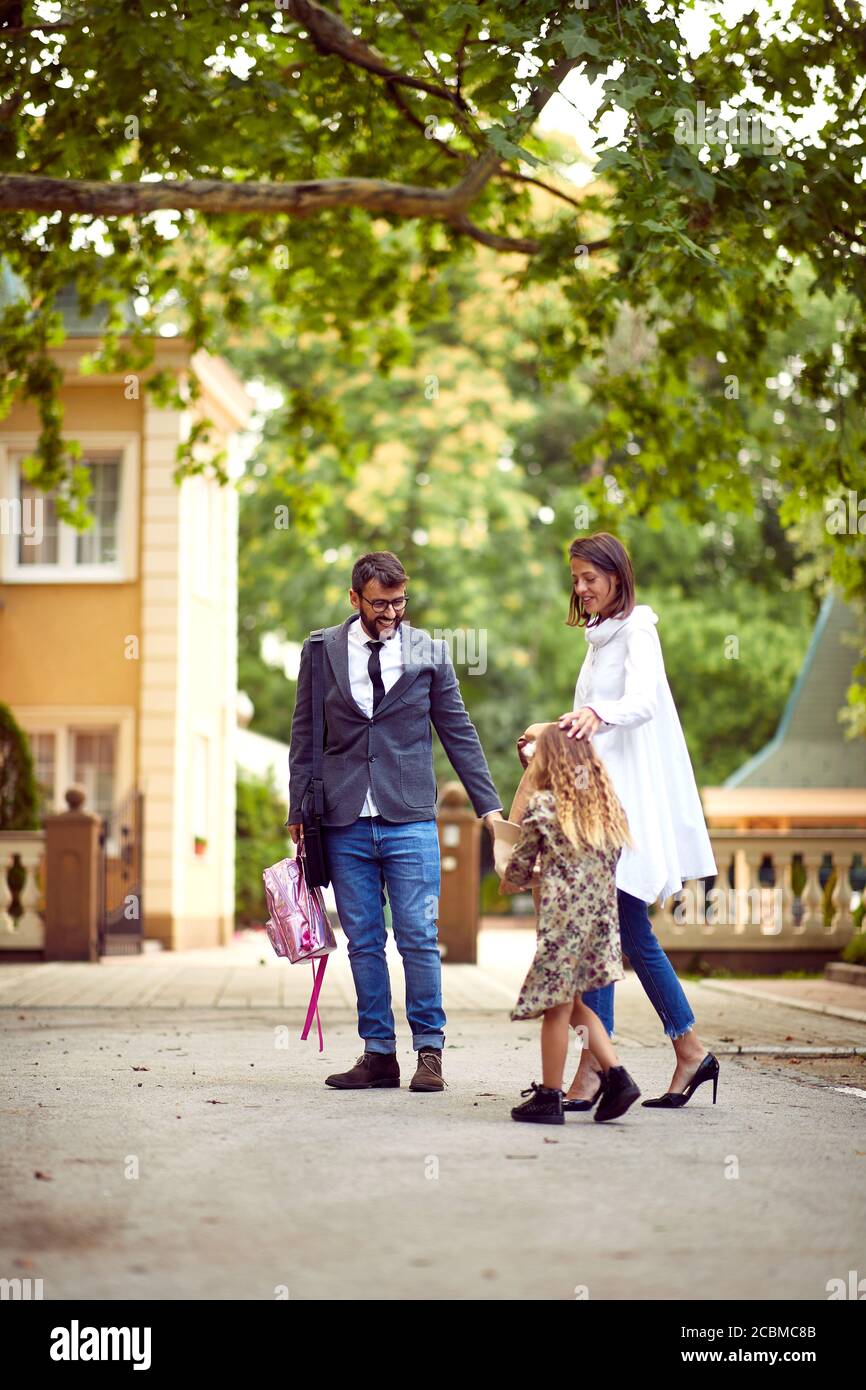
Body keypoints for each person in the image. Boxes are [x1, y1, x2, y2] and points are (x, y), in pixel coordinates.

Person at [286, 551, 503, 1094]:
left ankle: (429, 1053)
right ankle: (378, 1054)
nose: (391, 613)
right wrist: (298, 810)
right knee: (362, 940)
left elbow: (458, 731)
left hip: (409, 817)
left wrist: (491, 808)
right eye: (380, 603)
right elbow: (305, 734)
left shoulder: (429, 652)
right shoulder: (321, 650)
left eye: (400, 601)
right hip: (342, 818)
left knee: (419, 937)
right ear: (354, 597)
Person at [530, 531, 720, 1110]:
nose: (582, 588)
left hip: (624, 811)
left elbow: (644, 704)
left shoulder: (637, 628)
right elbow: (597, 731)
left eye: (591, 577)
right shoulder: (599, 636)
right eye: (576, 579)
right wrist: (551, 738)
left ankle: (600, 1068)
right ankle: (686, 1050)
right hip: (598, 803)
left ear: (617, 575)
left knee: (603, 936)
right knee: (625, 933)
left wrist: (592, 712)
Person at [499, 722, 642, 1124]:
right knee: (575, 1003)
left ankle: (549, 1097)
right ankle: (616, 1076)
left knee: (555, 1010)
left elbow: (519, 871)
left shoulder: (543, 808)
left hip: (562, 925)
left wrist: (503, 862)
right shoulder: (608, 811)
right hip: (598, 926)